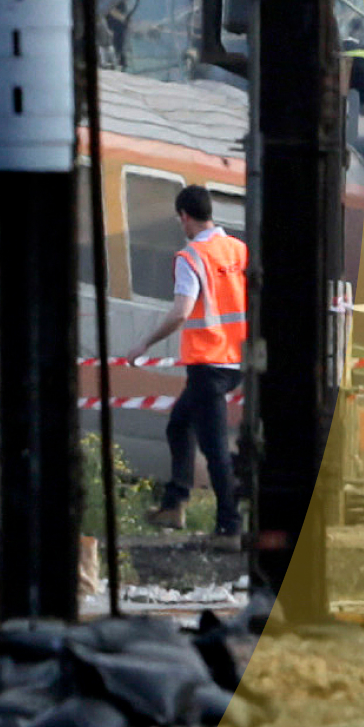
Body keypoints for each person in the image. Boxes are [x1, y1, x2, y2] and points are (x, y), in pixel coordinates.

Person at [124, 184, 246, 536]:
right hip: (235, 361)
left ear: (184, 217)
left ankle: (229, 526)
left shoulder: (190, 257)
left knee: (214, 447)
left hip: (208, 362)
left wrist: (143, 343)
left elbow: (180, 312)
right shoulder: (239, 250)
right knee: (179, 424)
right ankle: (174, 504)